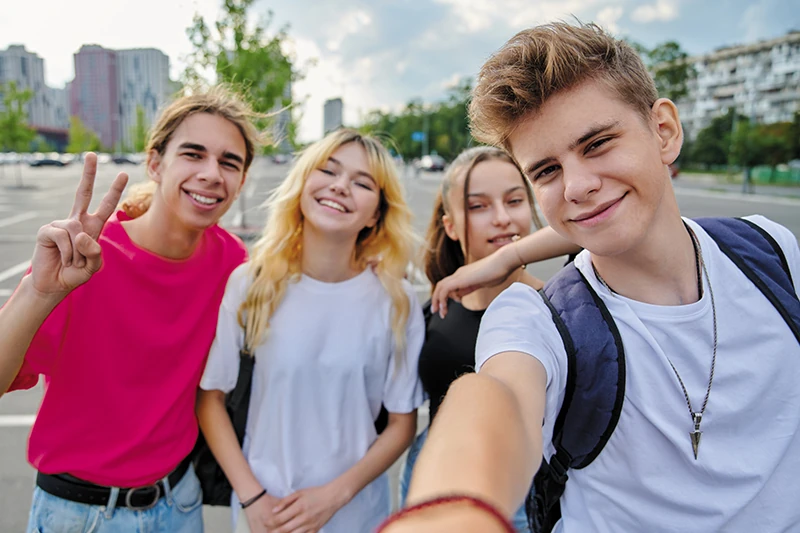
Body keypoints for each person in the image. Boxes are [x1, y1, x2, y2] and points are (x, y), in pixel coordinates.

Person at [380, 22, 800, 533]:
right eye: (547, 171)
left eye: (598, 143)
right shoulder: (537, 318)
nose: (578, 185)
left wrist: (500, 259)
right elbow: (499, 399)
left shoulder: (771, 251)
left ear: (663, 131)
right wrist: (457, 507)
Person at [0, 86, 262, 533]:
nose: (212, 174)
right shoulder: (87, 259)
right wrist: (38, 293)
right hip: (76, 513)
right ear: (156, 163)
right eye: (193, 154)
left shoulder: (233, 263)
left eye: (229, 162)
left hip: (179, 504)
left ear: (240, 181)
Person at [196, 129, 424, 533]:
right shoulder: (251, 283)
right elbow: (210, 399)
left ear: (375, 214)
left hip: (354, 514)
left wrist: (334, 496)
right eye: (329, 171)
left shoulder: (397, 301)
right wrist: (252, 497)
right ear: (303, 184)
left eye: (362, 182)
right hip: (264, 511)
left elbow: (401, 423)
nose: (340, 186)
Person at [398, 146, 578, 532]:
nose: (502, 219)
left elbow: (592, 229)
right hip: (423, 480)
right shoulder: (436, 306)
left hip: (518, 495)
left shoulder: (559, 307)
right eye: (478, 207)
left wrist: (506, 258)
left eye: (514, 201)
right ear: (450, 226)